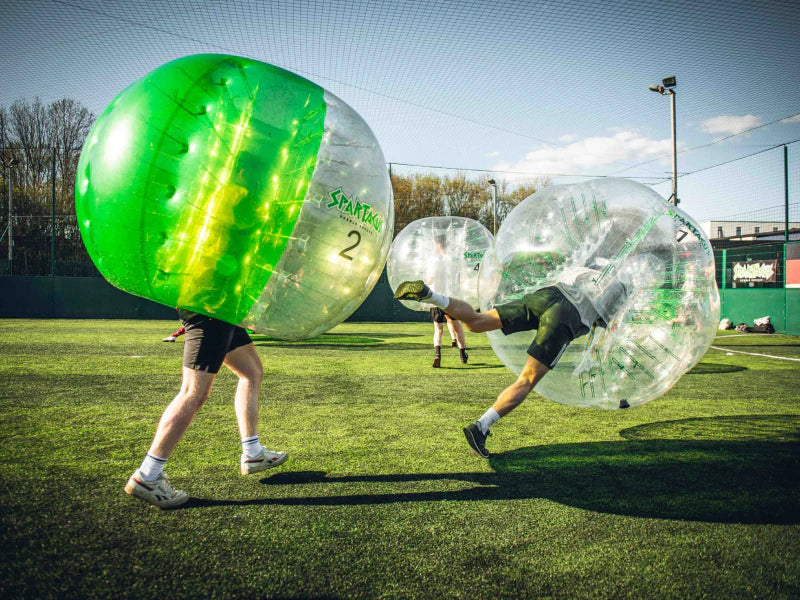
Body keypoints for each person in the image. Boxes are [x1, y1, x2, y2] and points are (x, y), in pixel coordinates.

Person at [394, 267, 627, 459]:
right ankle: (481, 427)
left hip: (547, 295)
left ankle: (432, 296)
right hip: (567, 316)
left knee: (476, 322)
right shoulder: (618, 287)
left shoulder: (588, 268)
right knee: (526, 380)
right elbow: (607, 329)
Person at [125, 309, 288, 508]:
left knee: (251, 372)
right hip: (211, 310)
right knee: (192, 393)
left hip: (224, 310)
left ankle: (253, 454)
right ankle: (148, 476)